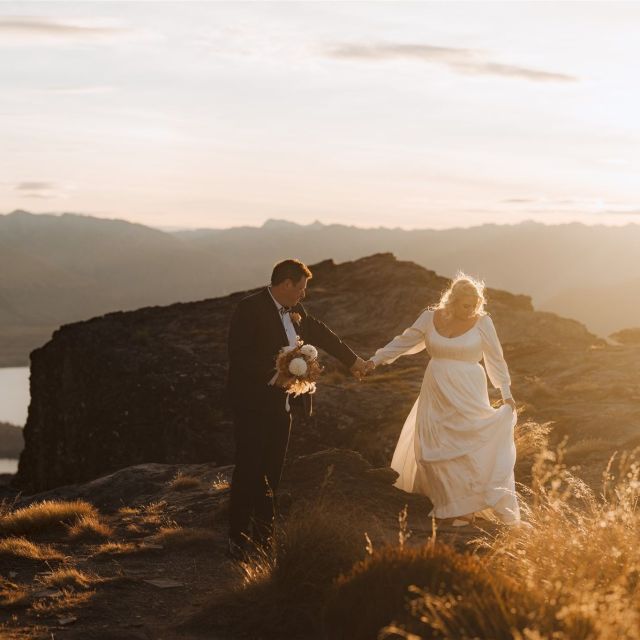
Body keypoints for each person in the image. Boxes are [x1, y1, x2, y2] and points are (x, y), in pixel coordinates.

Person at [226, 258, 367, 556]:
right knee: (248, 469)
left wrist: (353, 361)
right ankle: (237, 540)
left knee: (272, 472)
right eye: (301, 288)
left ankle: (264, 539)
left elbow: (322, 333)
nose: (304, 294)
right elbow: (238, 355)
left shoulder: (296, 311)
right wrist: (274, 375)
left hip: (283, 405)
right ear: (286, 284)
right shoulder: (249, 308)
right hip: (252, 404)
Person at [366, 273, 520, 526]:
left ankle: (466, 506)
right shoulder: (430, 317)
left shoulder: (483, 322)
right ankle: (448, 499)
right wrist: (375, 360)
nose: (471, 310)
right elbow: (404, 342)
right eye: (465, 305)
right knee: (432, 446)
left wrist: (506, 394)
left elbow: (496, 359)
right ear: (452, 300)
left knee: (466, 443)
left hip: (469, 390)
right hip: (436, 388)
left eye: (475, 305)